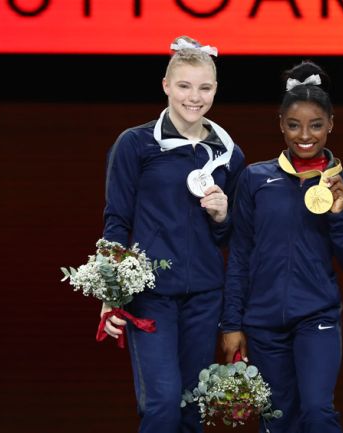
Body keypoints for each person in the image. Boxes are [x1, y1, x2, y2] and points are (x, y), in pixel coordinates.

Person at [99, 35, 246, 433]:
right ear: (166, 85)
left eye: (204, 87)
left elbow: (233, 238)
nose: (193, 97)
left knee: (191, 410)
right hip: (151, 296)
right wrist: (111, 296)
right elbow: (116, 221)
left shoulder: (230, 154)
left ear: (215, 89)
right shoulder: (136, 144)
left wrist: (222, 215)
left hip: (204, 296)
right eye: (184, 85)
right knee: (161, 404)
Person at [220, 61, 343, 433]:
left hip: (316, 317)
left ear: (331, 124)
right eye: (294, 125)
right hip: (263, 321)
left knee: (318, 412)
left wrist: (337, 214)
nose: (305, 135)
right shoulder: (256, 178)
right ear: (280, 124)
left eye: (316, 125)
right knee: (277, 418)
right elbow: (240, 254)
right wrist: (232, 323)